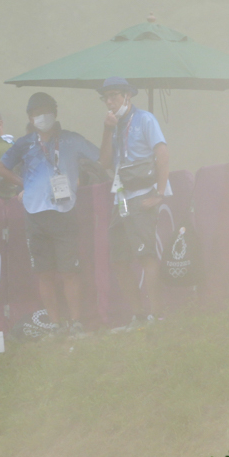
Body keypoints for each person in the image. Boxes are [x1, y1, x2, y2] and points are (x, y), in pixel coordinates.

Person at [0, 91, 99, 335]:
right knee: (44, 273)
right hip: (35, 213)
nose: (42, 116)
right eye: (36, 112)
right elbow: (1, 167)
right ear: (30, 116)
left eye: (46, 111)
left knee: (69, 270)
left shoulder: (70, 139)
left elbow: (100, 157)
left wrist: (109, 131)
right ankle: (55, 324)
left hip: (64, 211)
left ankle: (75, 321)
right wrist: (24, 183)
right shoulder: (24, 143)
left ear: (54, 113)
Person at [98, 77, 167, 324]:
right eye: (105, 97)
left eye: (114, 95)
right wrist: (107, 129)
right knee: (119, 259)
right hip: (122, 198)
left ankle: (156, 313)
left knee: (146, 255)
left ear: (128, 96)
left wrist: (159, 192)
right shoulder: (113, 125)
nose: (109, 101)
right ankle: (138, 313)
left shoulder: (145, 119)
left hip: (144, 194)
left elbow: (162, 152)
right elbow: (104, 162)